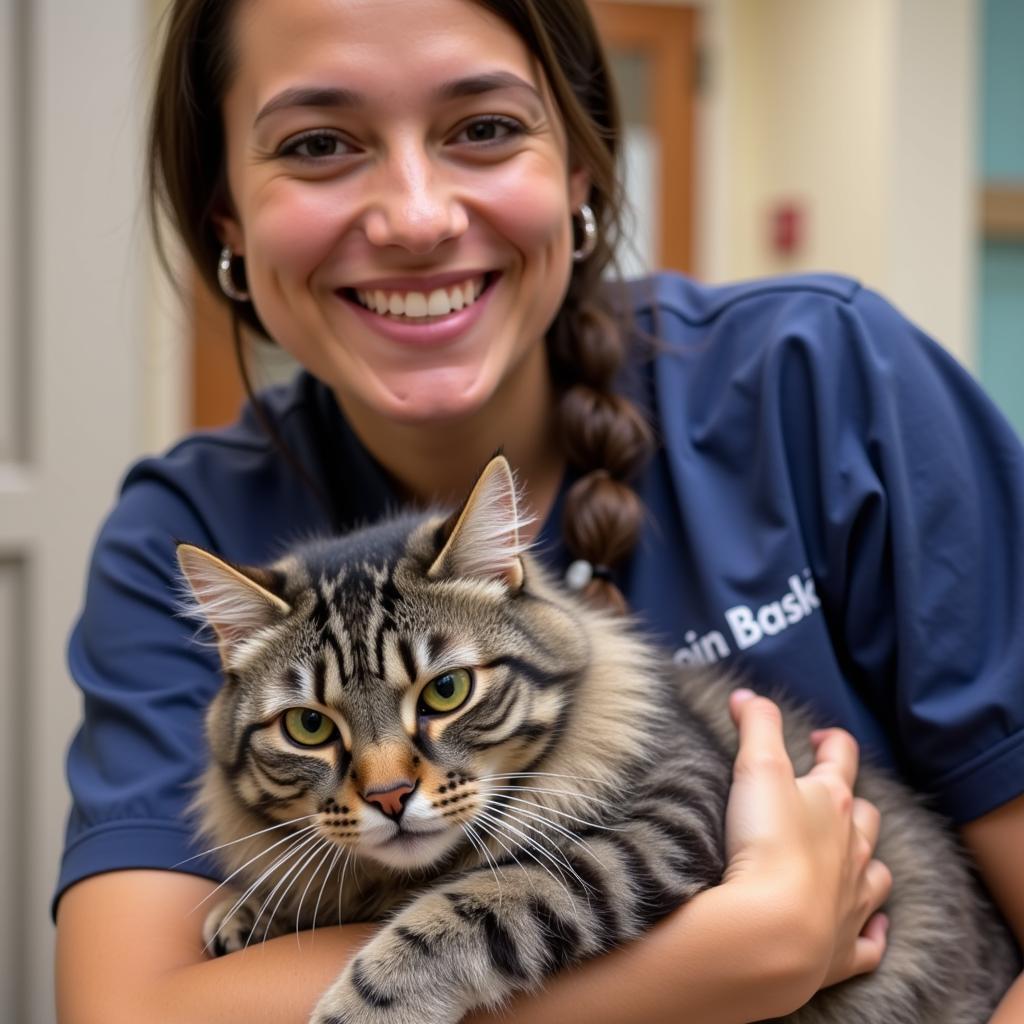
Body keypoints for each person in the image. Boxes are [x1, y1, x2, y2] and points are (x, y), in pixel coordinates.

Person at [54, 1, 1024, 1021]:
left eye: (482, 127)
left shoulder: (823, 378)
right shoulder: (180, 524)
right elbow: (128, 1009)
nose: (416, 217)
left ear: (581, 170)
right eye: (320, 143)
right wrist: (731, 953)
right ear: (226, 219)